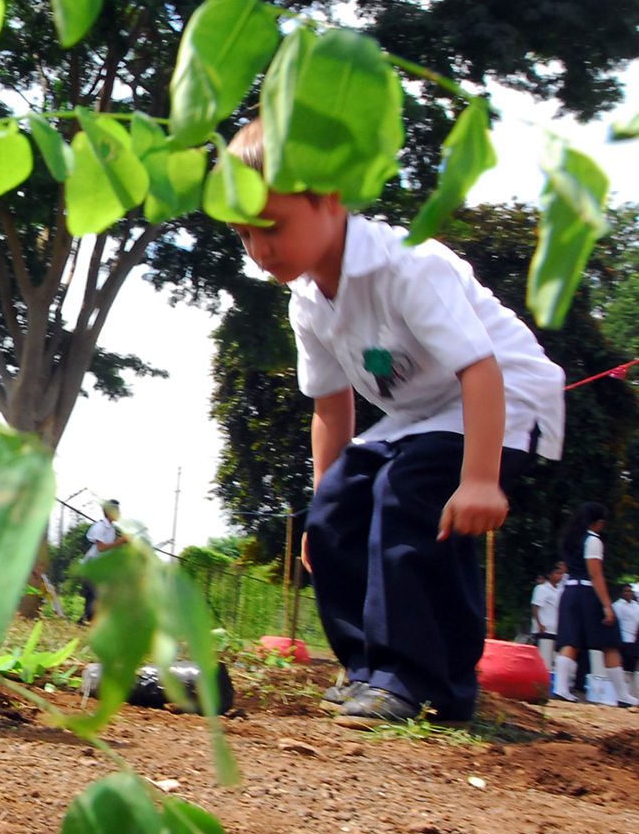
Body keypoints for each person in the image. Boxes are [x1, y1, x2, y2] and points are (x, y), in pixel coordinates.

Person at [223, 119, 565, 727]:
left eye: (271, 226)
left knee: (409, 497)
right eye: (243, 233)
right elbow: (331, 407)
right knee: (337, 517)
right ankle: (367, 670)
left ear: (328, 201)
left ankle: (417, 681)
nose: (259, 249)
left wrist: (480, 479)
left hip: (502, 397)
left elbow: (480, 368)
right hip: (419, 414)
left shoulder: (408, 265)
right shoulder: (306, 300)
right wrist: (327, 504)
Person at [553, 504, 636, 707]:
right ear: (598, 522)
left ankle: (560, 689)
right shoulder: (592, 541)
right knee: (610, 641)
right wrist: (607, 605)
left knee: (571, 641)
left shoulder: (570, 540)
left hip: (570, 592)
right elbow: (595, 574)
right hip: (587, 593)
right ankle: (622, 695)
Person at [79, 500, 125, 625]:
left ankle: (83, 623)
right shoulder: (100, 527)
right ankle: (84, 623)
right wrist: (120, 542)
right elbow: (101, 548)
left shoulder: (111, 529)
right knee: (97, 596)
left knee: (93, 598)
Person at [531, 561, 566, 669]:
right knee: (544, 660)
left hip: (556, 629)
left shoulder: (560, 590)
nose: (559, 576)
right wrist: (539, 624)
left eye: (560, 574)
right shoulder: (542, 589)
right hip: (545, 629)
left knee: (554, 660)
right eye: (557, 573)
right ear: (550, 576)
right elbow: (535, 606)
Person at [616, 583, 639, 701]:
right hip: (625, 639)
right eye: (626, 591)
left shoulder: (636, 605)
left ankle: (634, 693)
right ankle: (625, 694)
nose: (629, 593)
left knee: (634, 668)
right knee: (626, 669)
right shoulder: (618, 606)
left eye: (630, 591)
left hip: (635, 639)